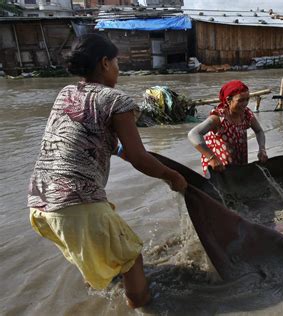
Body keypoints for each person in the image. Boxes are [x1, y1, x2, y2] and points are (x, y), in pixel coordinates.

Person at [27, 33, 187, 308]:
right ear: (104, 63)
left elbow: (88, 139)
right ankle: (143, 305)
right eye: (116, 63)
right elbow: (139, 158)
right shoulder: (116, 100)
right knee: (131, 257)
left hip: (40, 204)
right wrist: (172, 176)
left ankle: (103, 300)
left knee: (94, 254)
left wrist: (122, 152)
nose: (118, 69)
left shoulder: (66, 93)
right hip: (75, 202)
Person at [188, 80, 268, 175]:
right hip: (218, 167)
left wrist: (262, 149)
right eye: (240, 100)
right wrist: (212, 158)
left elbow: (259, 131)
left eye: (247, 99)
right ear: (228, 100)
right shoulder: (218, 118)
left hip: (238, 164)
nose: (245, 104)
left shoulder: (246, 114)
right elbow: (193, 134)